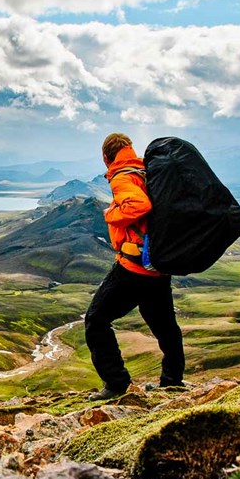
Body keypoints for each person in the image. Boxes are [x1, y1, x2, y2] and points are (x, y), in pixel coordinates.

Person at [86, 133, 185, 400]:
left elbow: (139, 205)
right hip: (158, 265)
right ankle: (173, 380)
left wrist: (110, 214)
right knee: (165, 326)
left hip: (134, 267)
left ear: (106, 157)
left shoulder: (122, 176)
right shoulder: (146, 172)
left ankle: (116, 382)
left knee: (96, 320)